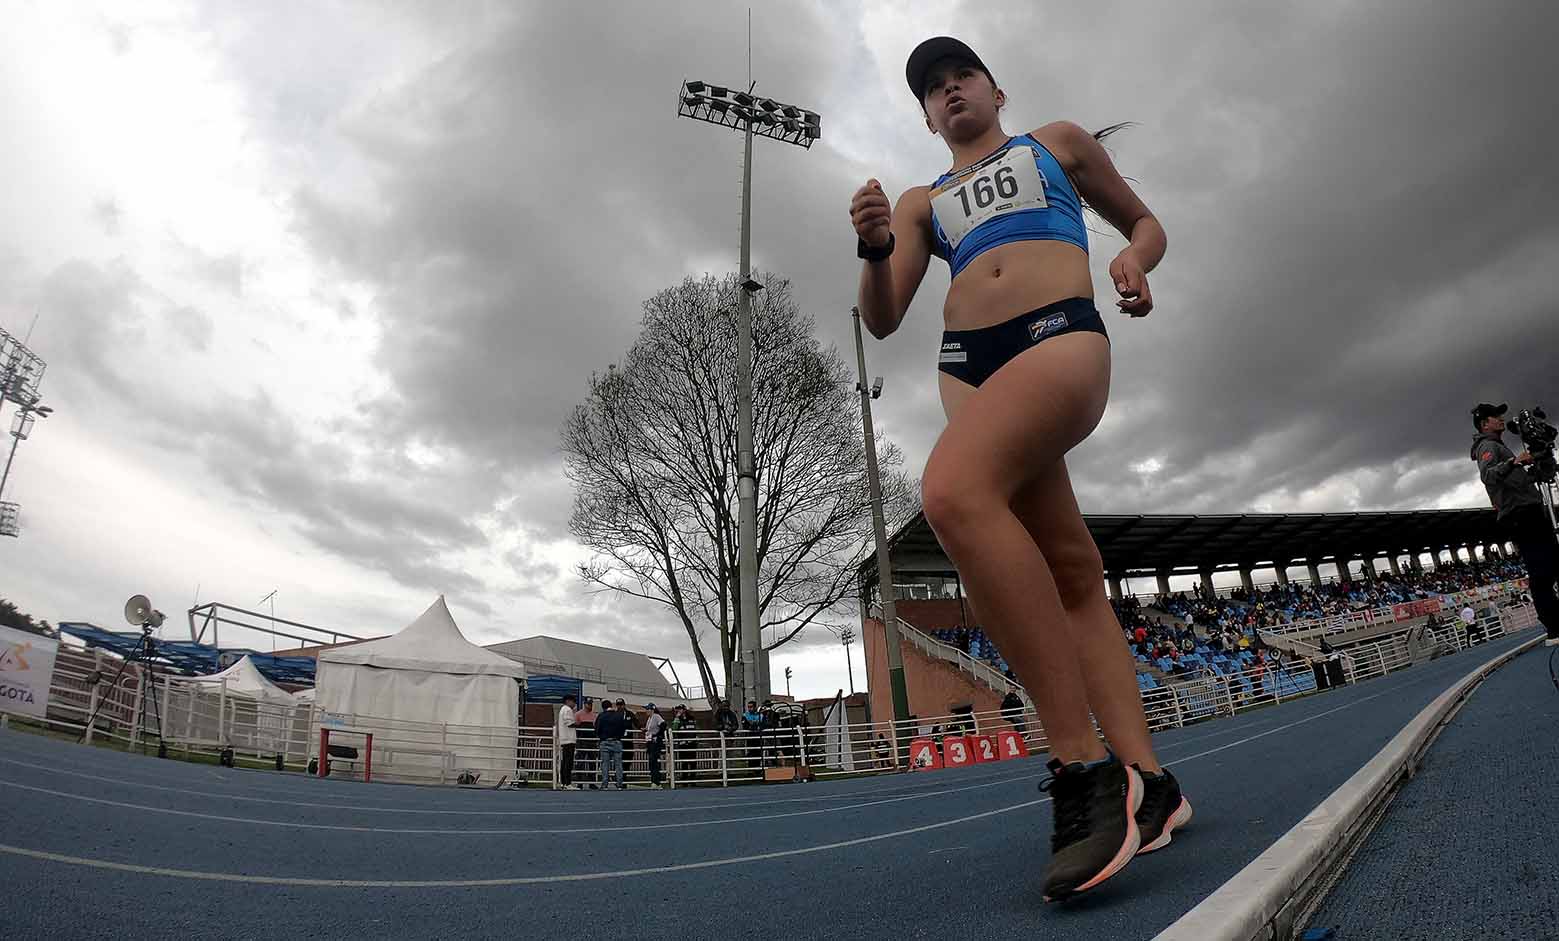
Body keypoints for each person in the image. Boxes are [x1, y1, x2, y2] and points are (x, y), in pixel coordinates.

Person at [852, 36, 1186, 901]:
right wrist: (875, 246)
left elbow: (1145, 222)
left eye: (959, 75)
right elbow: (883, 318)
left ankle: (1082, 765)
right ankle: (1152, 783)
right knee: (1072, 570)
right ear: (925, 116)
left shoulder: (1057, 143)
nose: (948, 90)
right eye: (931, 88)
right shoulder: (923, 200)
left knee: (953, 492)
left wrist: (1132, 259)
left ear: (994, 89)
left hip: (1059, 335)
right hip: (969, 364)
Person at [1471, 403, 1559, 646]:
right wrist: (1515, 461)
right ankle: (1554, 628)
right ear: (1484, 423)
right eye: (1495, 416)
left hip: (1528, 509)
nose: (1501, 419)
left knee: (1551, 563)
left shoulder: (1499, 445)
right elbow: (1488, 475)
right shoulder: (1487, 446)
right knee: (1541, 569)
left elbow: (1514, 481)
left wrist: (1532, 471)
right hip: (1520, 514)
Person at [593, 700, 627, 790]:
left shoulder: (601, 716)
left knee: (605, 764)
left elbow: (597, 729)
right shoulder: (619, 715)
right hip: (617, 741)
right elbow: (623, 728)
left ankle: (605, 784)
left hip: (605, 741)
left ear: (603, 707)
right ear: (611, 705)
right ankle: (619, 784)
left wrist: (600, 736)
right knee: (618, 764)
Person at [556, 693, 580, 790]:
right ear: (568, 701)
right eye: (573, 702)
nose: (574, 704)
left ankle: (563, 783)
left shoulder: (563, 709)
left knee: (564, 761)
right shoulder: (567, 709)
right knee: (568, 762)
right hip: (568, 739)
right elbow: (569, 723)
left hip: (564, 738)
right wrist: (577, 724)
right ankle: (567, 783)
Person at [644, 704, 667, 788]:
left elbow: (663, 725)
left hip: (655, 742)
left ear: (652, 710)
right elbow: (649, 729)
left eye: (647, 709)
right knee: (651, 761)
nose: (646, 711)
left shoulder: (656, 716)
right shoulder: (649, 718)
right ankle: (654, 781)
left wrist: (657, 735)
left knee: (654, 761)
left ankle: (656, 781)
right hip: (650, 742)